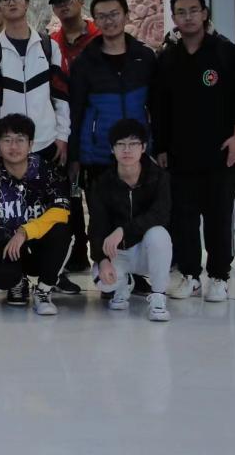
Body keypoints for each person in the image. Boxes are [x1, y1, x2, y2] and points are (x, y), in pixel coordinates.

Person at [0, 0, 77, 296]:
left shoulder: (48, 47)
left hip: (45, 144)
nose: (11, 3)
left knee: (54, 212)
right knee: (7, 212)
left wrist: (62, 135)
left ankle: (53, 273)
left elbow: (62, 95)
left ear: (27, 2)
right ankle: (13, 274)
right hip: (8, 147)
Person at [154, 0, 235, 303]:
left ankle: (219, 276)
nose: (188, 17)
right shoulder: (168, 58)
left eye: (193, 10)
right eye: (181, 12)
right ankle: (190, 275)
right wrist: (161, 147)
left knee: (218, 217)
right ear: (174, 18)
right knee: (183, 218)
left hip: (220, 153)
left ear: (204, 13)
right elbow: (160, 107)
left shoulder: (225, 52)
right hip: (180, 154)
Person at [66, 0, 156, 273]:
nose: (109, 21)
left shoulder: (144, 57)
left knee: (137, 213)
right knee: (101, 217)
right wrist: (75, 156)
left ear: (126, 15)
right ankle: (106, 274)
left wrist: (157, 146)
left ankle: (137, 274)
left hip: (138, 153)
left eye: (114, 14)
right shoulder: (85, 63)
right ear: (95, 21)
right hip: (98, 154)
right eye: (102, 16)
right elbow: (75, 113)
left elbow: (157, 107)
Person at [0, 114, 72, 316]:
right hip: (8, 248)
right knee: (3, 275)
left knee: (62, 230)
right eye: (7, 140)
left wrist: (25, 231)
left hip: (41, 247)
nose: (14, 147)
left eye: (20, 140)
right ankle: (17, 282)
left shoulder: (48, 172)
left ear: (31, 144)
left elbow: (61, 211)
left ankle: (44, 290)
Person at [89, 119, 172, 322]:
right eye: (121, 144)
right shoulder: (103, 182)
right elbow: (96, 226)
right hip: (117, 252)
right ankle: (124, 283)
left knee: (159, 234)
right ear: (112, 149)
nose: (127, 150)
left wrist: (123, 230)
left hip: (146, 251)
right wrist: (102, 259)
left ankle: (158, 296)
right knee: (102, 282)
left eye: (133, 144)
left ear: (143, 147)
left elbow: (160, 214)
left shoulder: (158, 177)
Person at [49, 0, 100, 72]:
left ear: (81, 2)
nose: (63, 5)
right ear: (54, 10)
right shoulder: (51, 44)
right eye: (57, 2)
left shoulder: (101, 35)